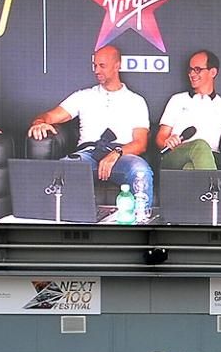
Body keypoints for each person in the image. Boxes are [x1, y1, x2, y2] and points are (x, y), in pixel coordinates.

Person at [28, 45, 154, 221]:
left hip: (121, 156)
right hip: (88, 154)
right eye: (95, 65)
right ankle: (65, 225)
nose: (96, 70)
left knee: (140, 171)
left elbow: (140, 143)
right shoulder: (83, 96)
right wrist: (39, 123)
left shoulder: (136, 101)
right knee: (62, 169)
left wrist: (115, 153)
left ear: (117, 66)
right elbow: (49, 116)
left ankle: (141, 225)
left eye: (102, 66)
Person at [156, 49, 221, 170]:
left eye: (197, 69)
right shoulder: (177, 100)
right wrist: (167, 141)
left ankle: (206, 181)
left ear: (212, 72)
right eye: (190, 70)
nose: (192, 74)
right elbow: (161, 137)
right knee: (200, 145)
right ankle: (213, 182)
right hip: (177, 154)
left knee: (190, 168)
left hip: (211, 157)